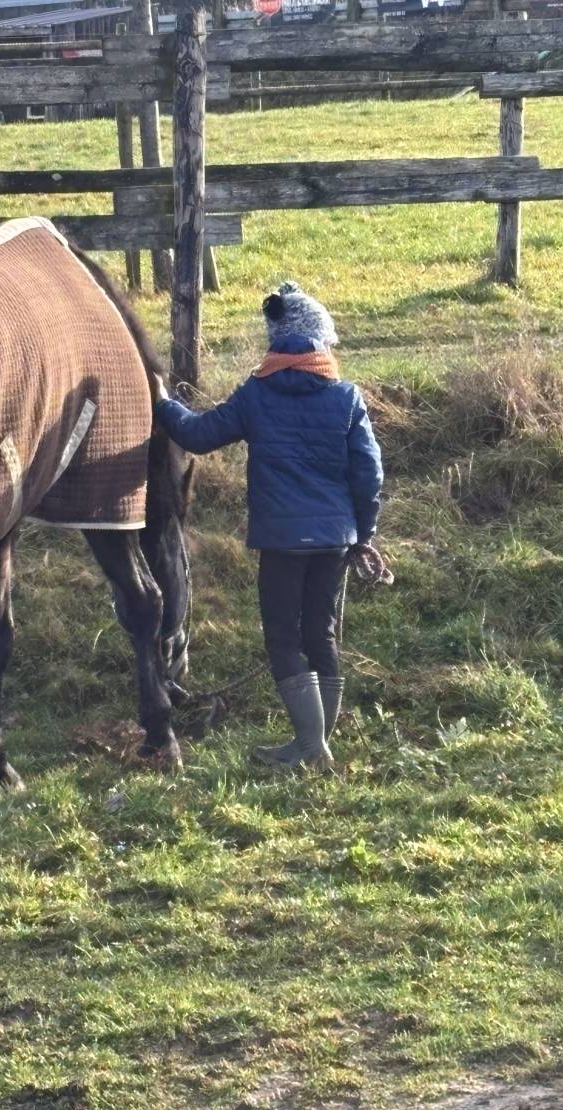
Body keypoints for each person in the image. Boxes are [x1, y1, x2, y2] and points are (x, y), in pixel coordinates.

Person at [154, 282, 385, 771]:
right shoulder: (346, 397)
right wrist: (362, 535)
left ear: (276, 342)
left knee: (283, 638)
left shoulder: (257, 394)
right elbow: (369, 476)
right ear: (319, 342)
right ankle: (317, 744)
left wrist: (161, 401)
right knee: (320, 635)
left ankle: (310, 747)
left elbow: (196, 434)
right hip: (333, 541)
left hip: (281, 540)